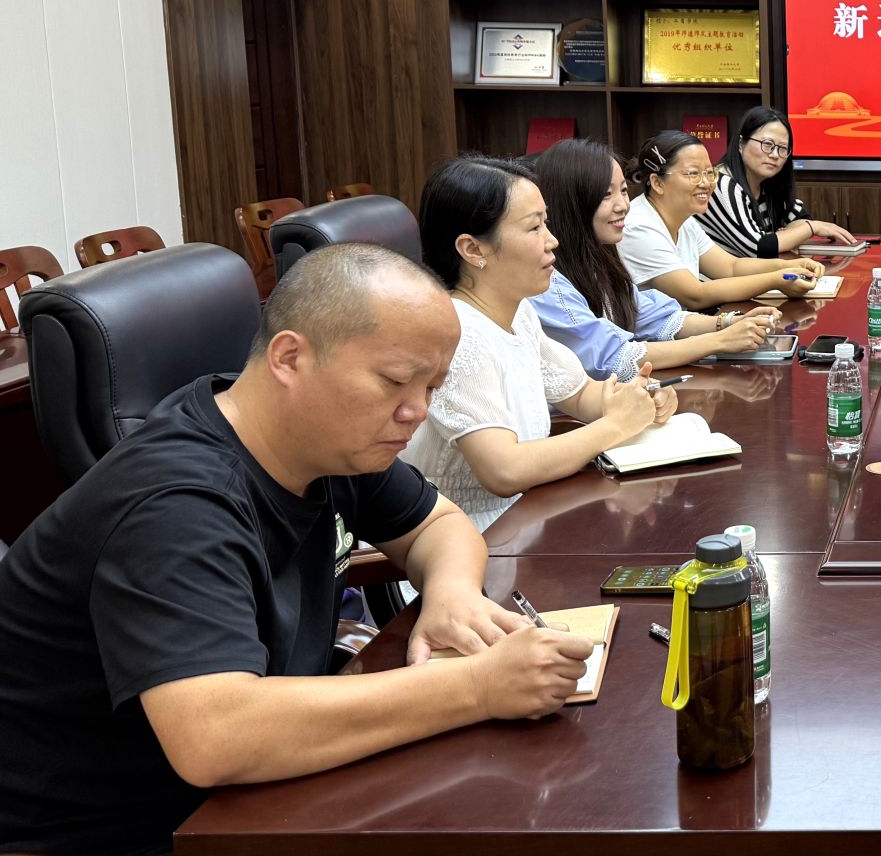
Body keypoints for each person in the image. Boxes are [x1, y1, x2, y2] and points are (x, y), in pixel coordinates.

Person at [0, 244, 596, 856]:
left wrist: (451, 595)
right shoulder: (176, 505)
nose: (416, 412)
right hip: (114, 832)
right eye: (395, 381)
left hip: (253, 793)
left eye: (431, 387)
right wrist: (477, 687)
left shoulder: (327, 439)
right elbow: (216, 736)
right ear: (289, 357)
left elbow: (439, 524)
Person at [402, 156, 679, 531]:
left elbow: (580, 394)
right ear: (473, 249)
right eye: (534, 227)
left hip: (527, 522)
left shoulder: (518, 313)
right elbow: (504, 470)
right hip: (469, 538)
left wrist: (639, 397)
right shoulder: (458, 335)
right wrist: (616, 425)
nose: (552, 241)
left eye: (546, 223)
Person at [530, 138, 784, 380]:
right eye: (606, 195)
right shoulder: (546, 281)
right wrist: (721, 339)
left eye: (624, 191)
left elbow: (652, 315)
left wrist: (729, 322)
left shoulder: (600, 256)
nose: (623, 205)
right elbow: (613, 356)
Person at [620, 129, 825, 310]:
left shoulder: (684, 219)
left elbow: (730, 267)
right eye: (693, 173)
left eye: (709, 173)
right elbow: (695, 295)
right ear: (657, 183)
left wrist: (790, 266)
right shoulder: (638, 227)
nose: (706, 183)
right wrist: (777, 280)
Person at [699, 106, 860, 258]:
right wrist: (812, 228)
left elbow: (801, 218)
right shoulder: (720, 184)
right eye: (767, 144)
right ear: (741, 144)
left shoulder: (766, 183)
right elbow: (757, 247)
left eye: (782, 148)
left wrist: (788, 234)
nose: (775, 155)